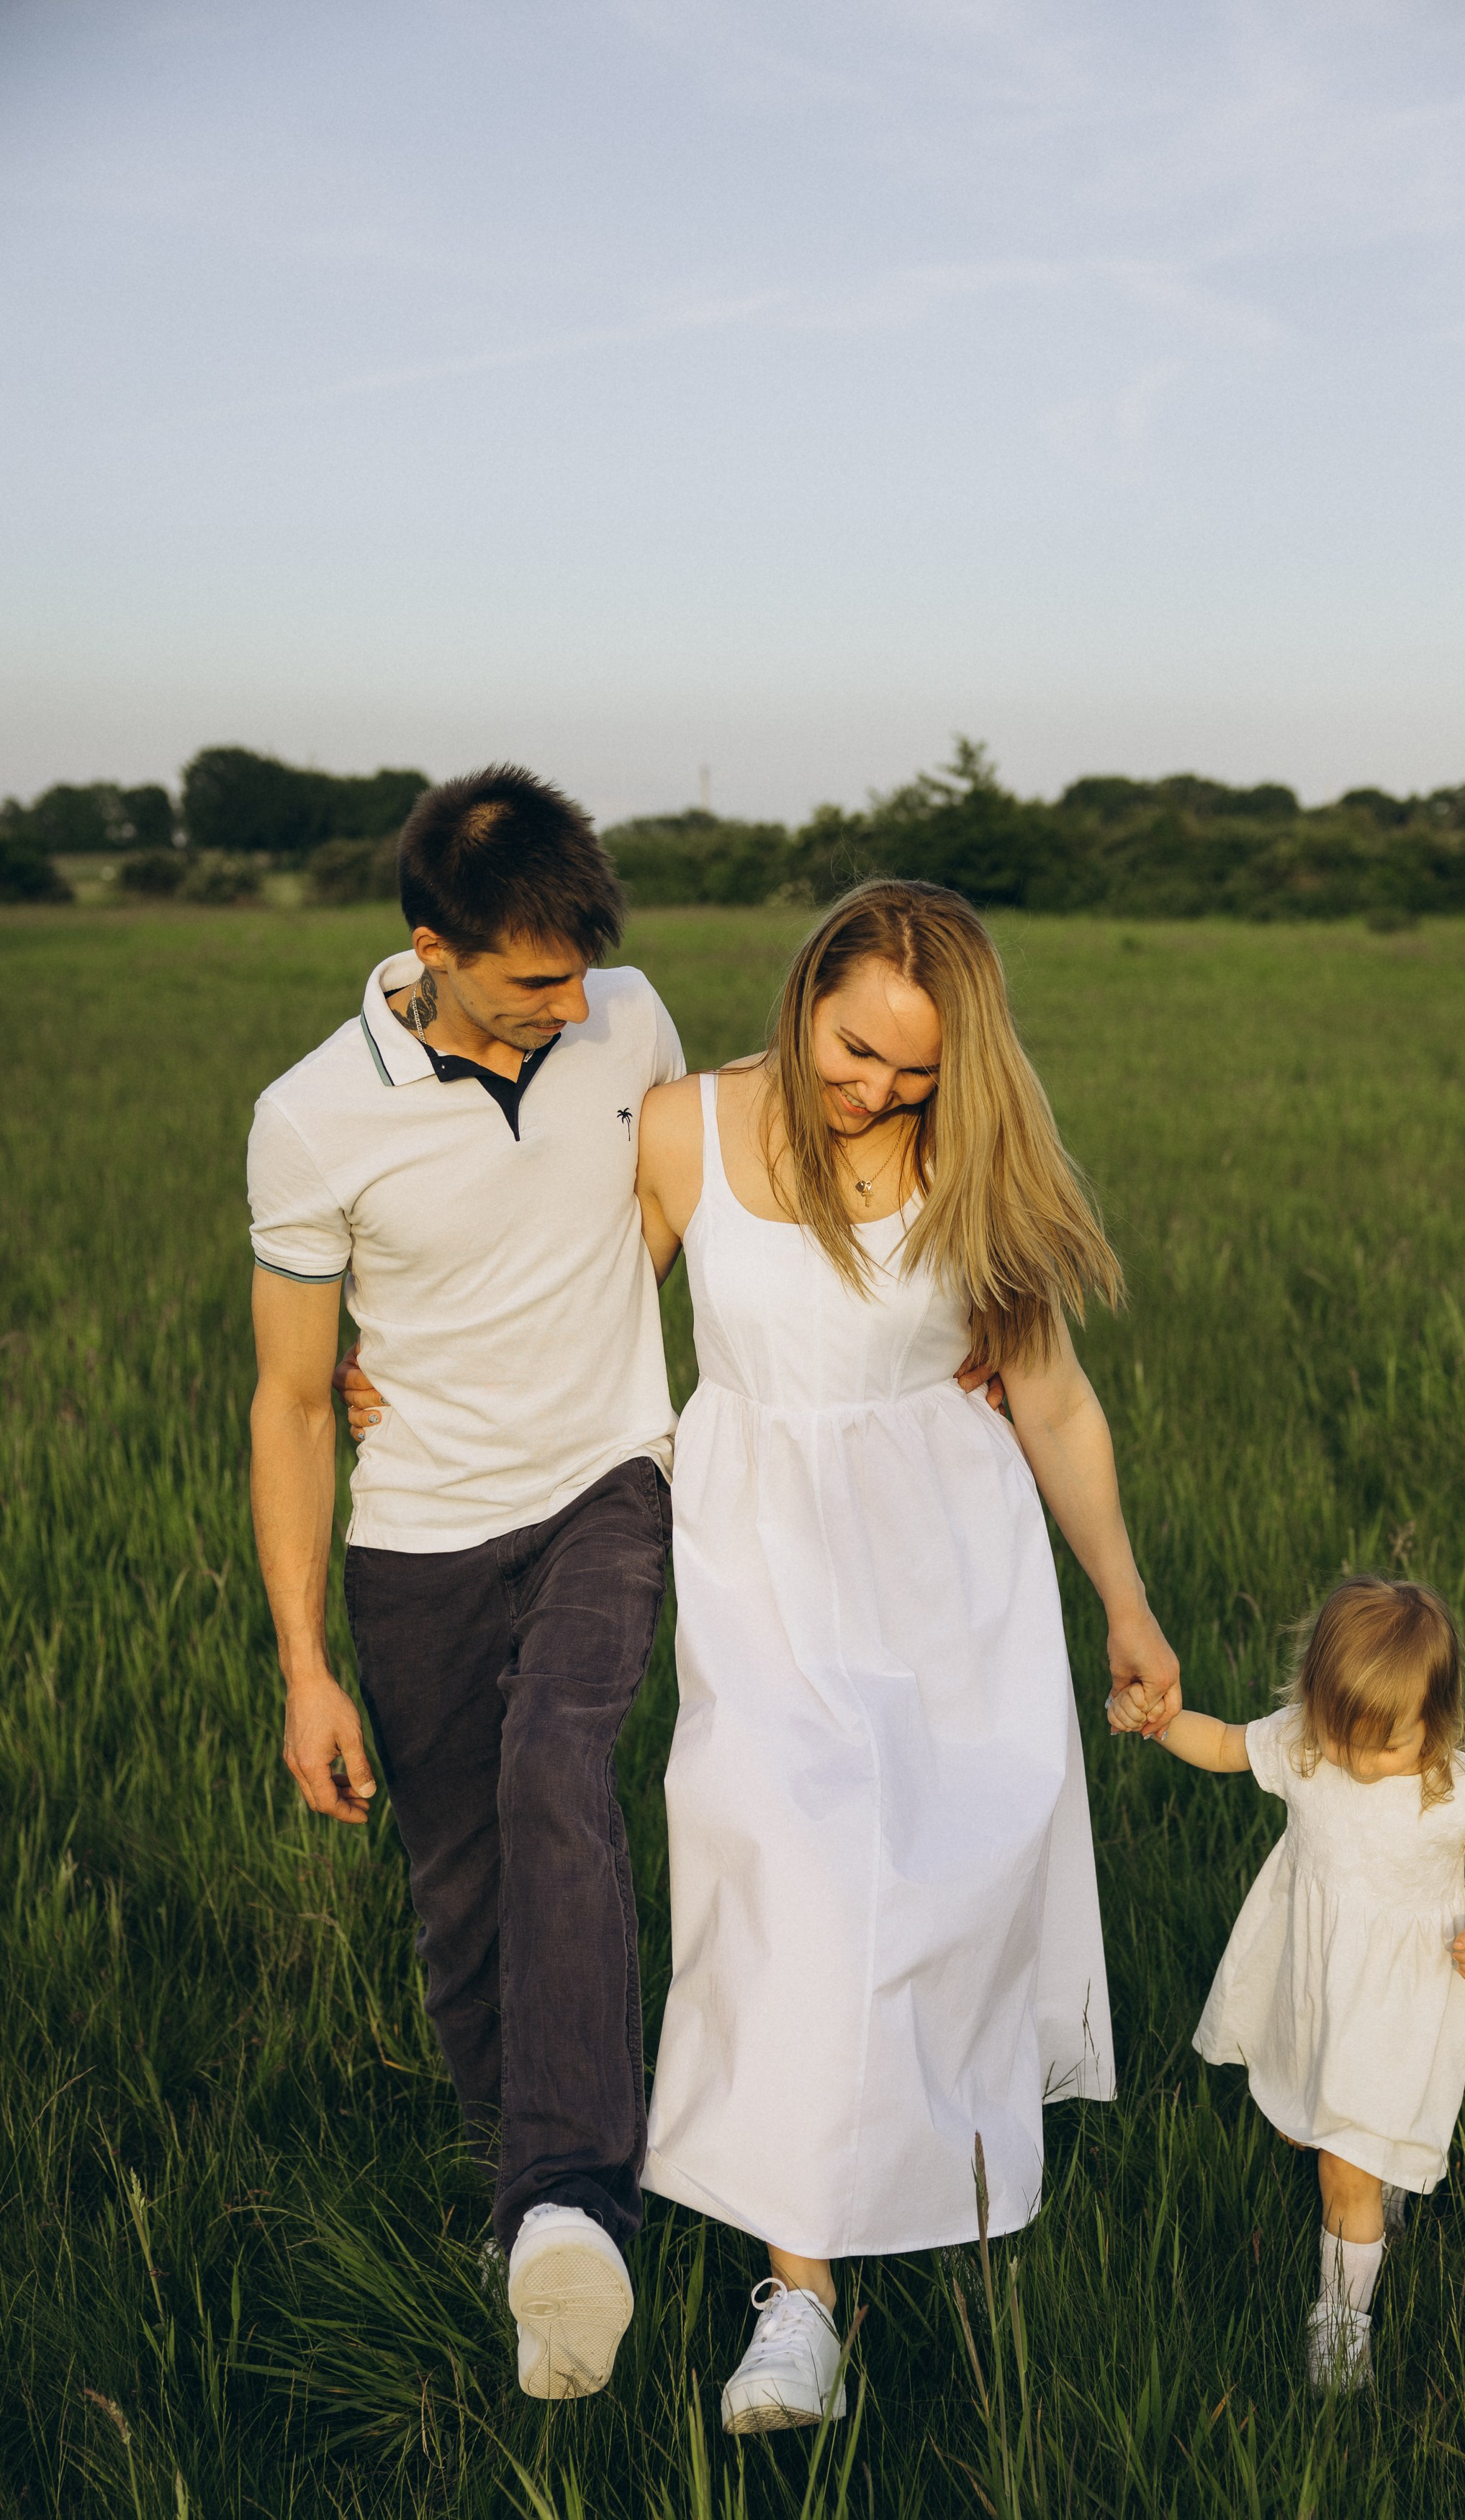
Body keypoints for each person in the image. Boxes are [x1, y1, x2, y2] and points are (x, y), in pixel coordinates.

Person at [629, 877, 1181, 2433]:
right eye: (851, 1045)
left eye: (911, 1068)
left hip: (949, 1574)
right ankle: (797, 2298)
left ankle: (943, 2200)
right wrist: (405, 1394)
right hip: (758, 1574)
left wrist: (1122, 1605)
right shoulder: (683, 1130)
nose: (871, 1087)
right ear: (803, 990)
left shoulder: (967, 1170)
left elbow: (1053, 1403)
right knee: (796, 1891)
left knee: (936, 1897)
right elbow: (585, 1328)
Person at [245, 765, 686, 2402]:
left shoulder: (625, 1017)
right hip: (416, 1530)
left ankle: (576, 2202)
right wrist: (306, 1665)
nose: (572, 1004)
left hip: (606, 1482)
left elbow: (677, 1201)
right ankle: (525, 2192)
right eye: (533, 981)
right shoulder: (312, 1116)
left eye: (584, 968)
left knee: (561, 1772)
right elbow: (293, 1402)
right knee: (460, 1885)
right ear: (431, 948)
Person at [1113, 1574, 1465, 2391]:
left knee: (1342, 2162)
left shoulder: (1454, 1787)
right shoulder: (1310, 1742)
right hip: (1312, 1975)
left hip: (1401, 1992)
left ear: (1436, 1722)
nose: (1361, 1763)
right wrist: (1159, 1722)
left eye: (1386, 1746)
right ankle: (1373, 2177)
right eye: (1344, 1738)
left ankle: (1340, 2316)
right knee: (1317, 2122)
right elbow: (1228, 1743)